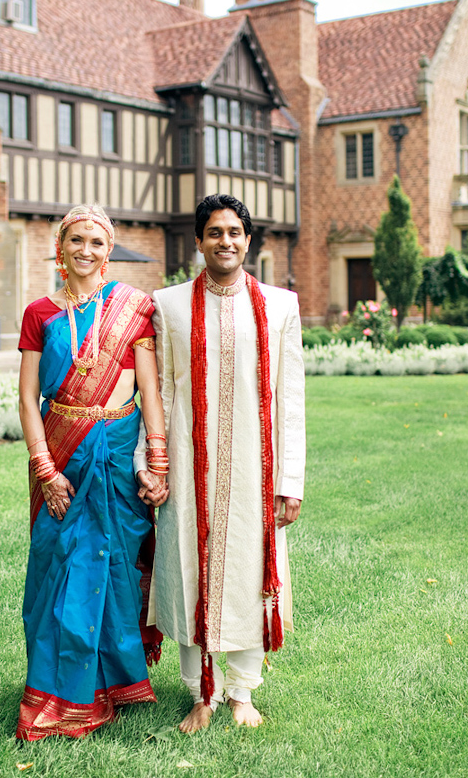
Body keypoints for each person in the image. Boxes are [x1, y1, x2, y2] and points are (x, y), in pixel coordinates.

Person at [136, 194, 305, 733]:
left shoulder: (280, 305)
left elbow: (291, 398)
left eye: (234, 232)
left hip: (257, 471)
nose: (225, 241)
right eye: (214, 232)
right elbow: (155, 391)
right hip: (188, 466)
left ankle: (241, 693)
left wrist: (290, 480)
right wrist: (152, 462)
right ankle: (199, 695)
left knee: (250, 574)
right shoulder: (168, 305)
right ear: (199, 241)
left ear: (248, 240)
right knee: (187, 569)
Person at [16, 203, 169, 741]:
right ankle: (59, 693)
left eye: (97, 242)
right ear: (62, 246)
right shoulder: (39, 312)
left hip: (118, 451)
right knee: (58, 569)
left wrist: (158, 457)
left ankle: (110, 682)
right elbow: (28, 398)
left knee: (115, 567)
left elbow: (149, 390)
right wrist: (44, 467)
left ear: (109, 250)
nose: (86, 250)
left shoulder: (134, 307)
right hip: (63, 453)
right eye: (77, 240)